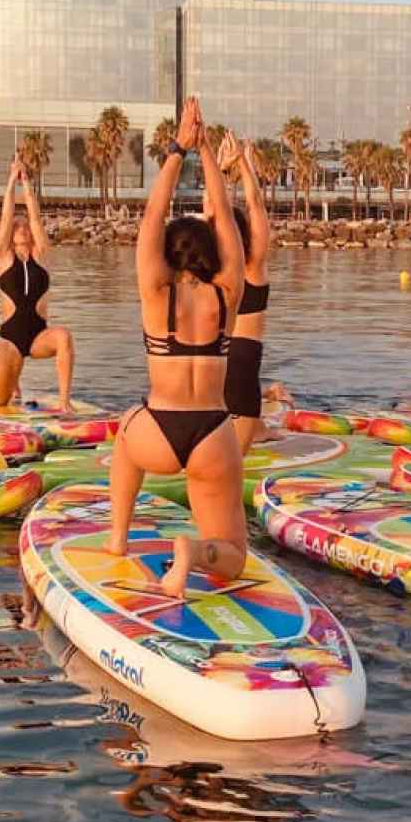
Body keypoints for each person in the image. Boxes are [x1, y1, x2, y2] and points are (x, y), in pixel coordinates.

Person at [107, 97, 247, 598]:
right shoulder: (227, 293)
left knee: (125, 432)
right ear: (209, 253)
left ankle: (118, 538)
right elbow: (226, 218)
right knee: (233, 555)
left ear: (168, 255)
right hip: (212, 431)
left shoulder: (155, 294)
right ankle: (196, 552)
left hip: (158, 431)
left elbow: (152, 213)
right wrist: (208, 152)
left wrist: (178, 148)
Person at [0, 157, 76, 412]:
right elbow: (7, 217)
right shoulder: (3, 258)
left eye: (25, 226)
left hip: (39, 335)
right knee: (0, 400)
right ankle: (14, 383)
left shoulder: (42, 256)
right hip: (11, 338)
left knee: (64, 337)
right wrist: (11, 181)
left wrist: (26, 182)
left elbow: (36, 218)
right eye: (18, 226)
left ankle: (64, 401)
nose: (22, 227)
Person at [221, 136, 285, 450]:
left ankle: (261, 424)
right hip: (243, 363)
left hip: (211, 361)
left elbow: (215, 212)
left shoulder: (215, 273)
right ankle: (259, 426)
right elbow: (256, 205)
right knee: (233, 466)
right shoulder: (253, 269)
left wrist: (220, 171)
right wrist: (243, 164)